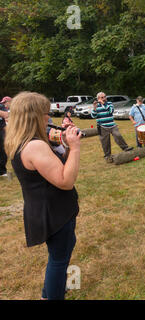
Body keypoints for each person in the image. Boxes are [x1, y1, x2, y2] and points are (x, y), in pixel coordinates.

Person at [4, 92, 82, 300]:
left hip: (44, 208)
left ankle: (48, 294)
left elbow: (55, 167)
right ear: (33, 116)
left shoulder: (21, 141)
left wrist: (65, 147)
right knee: (59, 260)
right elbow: (65, 181)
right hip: (53, 211)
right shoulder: (35, 146)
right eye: (45, 114)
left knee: (60, 254)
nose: (48, 118)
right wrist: (74, 148)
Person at [91, 92, 133, 163]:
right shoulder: (96, 105)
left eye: (105, 96)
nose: (104, 98)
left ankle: (125, 148)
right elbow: (93, 116)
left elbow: (111, 111)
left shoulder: (109, 103)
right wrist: (94, 108)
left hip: (112, 125)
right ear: (98, 98)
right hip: (102, 126)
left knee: (118, 135)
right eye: (102, 97)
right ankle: (107, 156)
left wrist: (103, 104)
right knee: (105, 142)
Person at [0, 96, 11, 177]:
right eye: (3, 103)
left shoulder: (2, 107)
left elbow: (5, 115)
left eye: (5, 102)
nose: (4, 104)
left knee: (3, 150)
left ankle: (2, 171)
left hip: (1, 130)